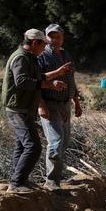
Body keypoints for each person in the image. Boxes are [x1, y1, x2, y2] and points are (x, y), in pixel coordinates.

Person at [1, 28, 71, 194]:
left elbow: (39, 77)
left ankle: (18, 180)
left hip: (23, 107)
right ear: (34, 43)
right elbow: (22, 81)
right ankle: (16, 184)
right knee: (33, 146)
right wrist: (49, 85)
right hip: (18, 108)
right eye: (42, 45)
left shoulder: (30, 58)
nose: (43, 48)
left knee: (21, 146)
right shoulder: (21, 58)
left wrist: (58, 73)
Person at [37, 24, 82, 191]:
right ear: (46, 37)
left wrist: (76, 102)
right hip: (49, 104)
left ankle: (56, 178)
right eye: (51, 36)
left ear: (63, 38)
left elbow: (72, 81)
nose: (54, 40)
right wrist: (41, 106)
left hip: (65, 105)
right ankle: (51, 182)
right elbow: (36, 83)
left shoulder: (65, 55)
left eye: (57, 37)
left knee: (63, 143)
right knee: (55, 143)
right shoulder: (41, 57)